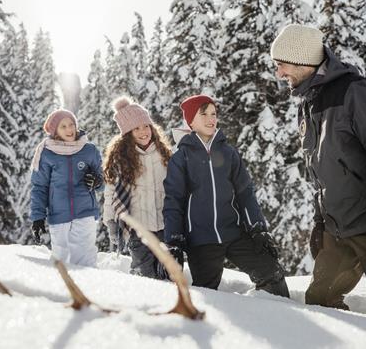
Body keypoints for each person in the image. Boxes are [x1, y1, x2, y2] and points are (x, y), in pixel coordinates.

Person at [271, 24, 366, 323]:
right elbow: (321, 171)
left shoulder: (355, 92)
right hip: (338, 228)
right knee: (319, 304)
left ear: (303, 61)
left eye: (282, 65)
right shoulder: (308, 103)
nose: (278, 73)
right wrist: (320, 220)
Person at [162, 94, 290, 298]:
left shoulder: (228, 153)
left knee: (272, 273)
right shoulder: (181, 158)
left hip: (235, 233)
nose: (211, 119)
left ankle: (284, 322)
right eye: (203, 114)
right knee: (207, 294)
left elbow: (245, 193)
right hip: (201, 240)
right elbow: (173, 201)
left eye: (213, 114)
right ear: (190, 121)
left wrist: (257, 228)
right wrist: (174, 241)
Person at [102, 96, 172, 279]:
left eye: (146, 126)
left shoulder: (163, 153)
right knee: (145, 275)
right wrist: (110, 220)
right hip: (138, 229)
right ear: (127, 133)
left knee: (166, 274)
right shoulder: (121, 158)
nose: (143, 131)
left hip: (165, 226)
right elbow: (111, 192)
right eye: (136, 128)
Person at [30, 109, 104, 267]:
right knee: (61, 260)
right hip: (59, 215)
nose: (69, 129)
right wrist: (38, 217)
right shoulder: (47, 153)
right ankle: (63, 290)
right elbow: (40, 187)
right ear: (55, 130)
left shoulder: (89, 150)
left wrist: (96, 181)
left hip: (85, 212)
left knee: (85, 259)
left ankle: (88, 289)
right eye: (63, 126)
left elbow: (103, 181)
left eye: (71, 125)